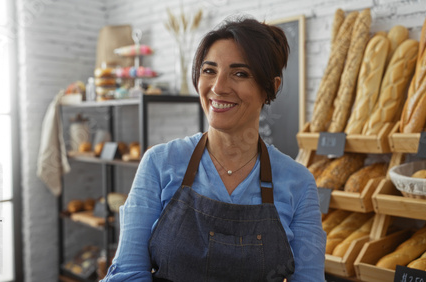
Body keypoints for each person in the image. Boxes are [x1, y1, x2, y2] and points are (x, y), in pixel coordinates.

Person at [102, 16, 326, 282]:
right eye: (209, 71)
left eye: (240, 73)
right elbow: (128, 273)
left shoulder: (298, 183)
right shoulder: (159, 163)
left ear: (271, 87)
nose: (218, 88)